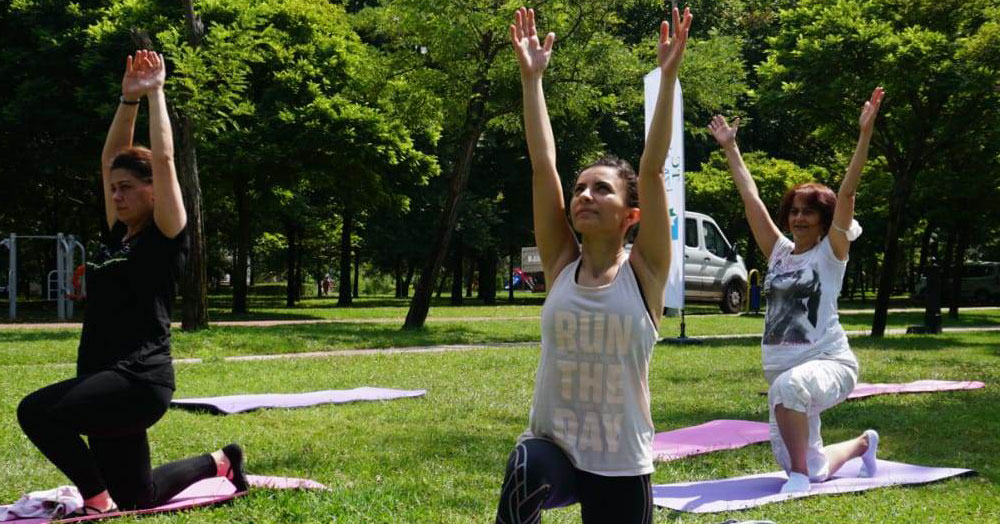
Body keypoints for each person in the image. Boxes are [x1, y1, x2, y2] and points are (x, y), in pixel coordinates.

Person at [16, 50, 248, 516]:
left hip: (137, 380)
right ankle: (222, 462)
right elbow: (108, 159)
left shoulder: (166, 235)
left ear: (154, 190)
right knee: (138, 497)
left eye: (127, 187)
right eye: (114, 187)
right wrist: (127, 101)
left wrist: (156, 93)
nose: (116, 194)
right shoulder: (117, 235)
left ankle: (96, 502)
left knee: (35, 411)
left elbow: (163, 155)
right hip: (102, 377)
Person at [495, 6, 691, 523]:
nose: (583, 194)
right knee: (523, 468)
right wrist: (531, 78)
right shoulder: (561, 263)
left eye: (600, 188)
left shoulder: (645, 273)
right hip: (553, 449)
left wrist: (668, 79)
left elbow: (651, 169)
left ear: (631, 215)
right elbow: (543, 165)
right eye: (580, 187)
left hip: (621, 462)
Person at [707, 86, 886, 493]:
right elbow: (751, 199)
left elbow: (848, 193)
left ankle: (800, 479)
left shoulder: (831, 253)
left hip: (829, 363)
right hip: (785, 372)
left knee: (791, 400)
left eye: (808, 211)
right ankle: (861, 445)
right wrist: (731, 149)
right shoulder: (780, 254)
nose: (798, 217)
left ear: (825, 220)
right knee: (812, 463)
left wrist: (864, 136)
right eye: (794, 210)